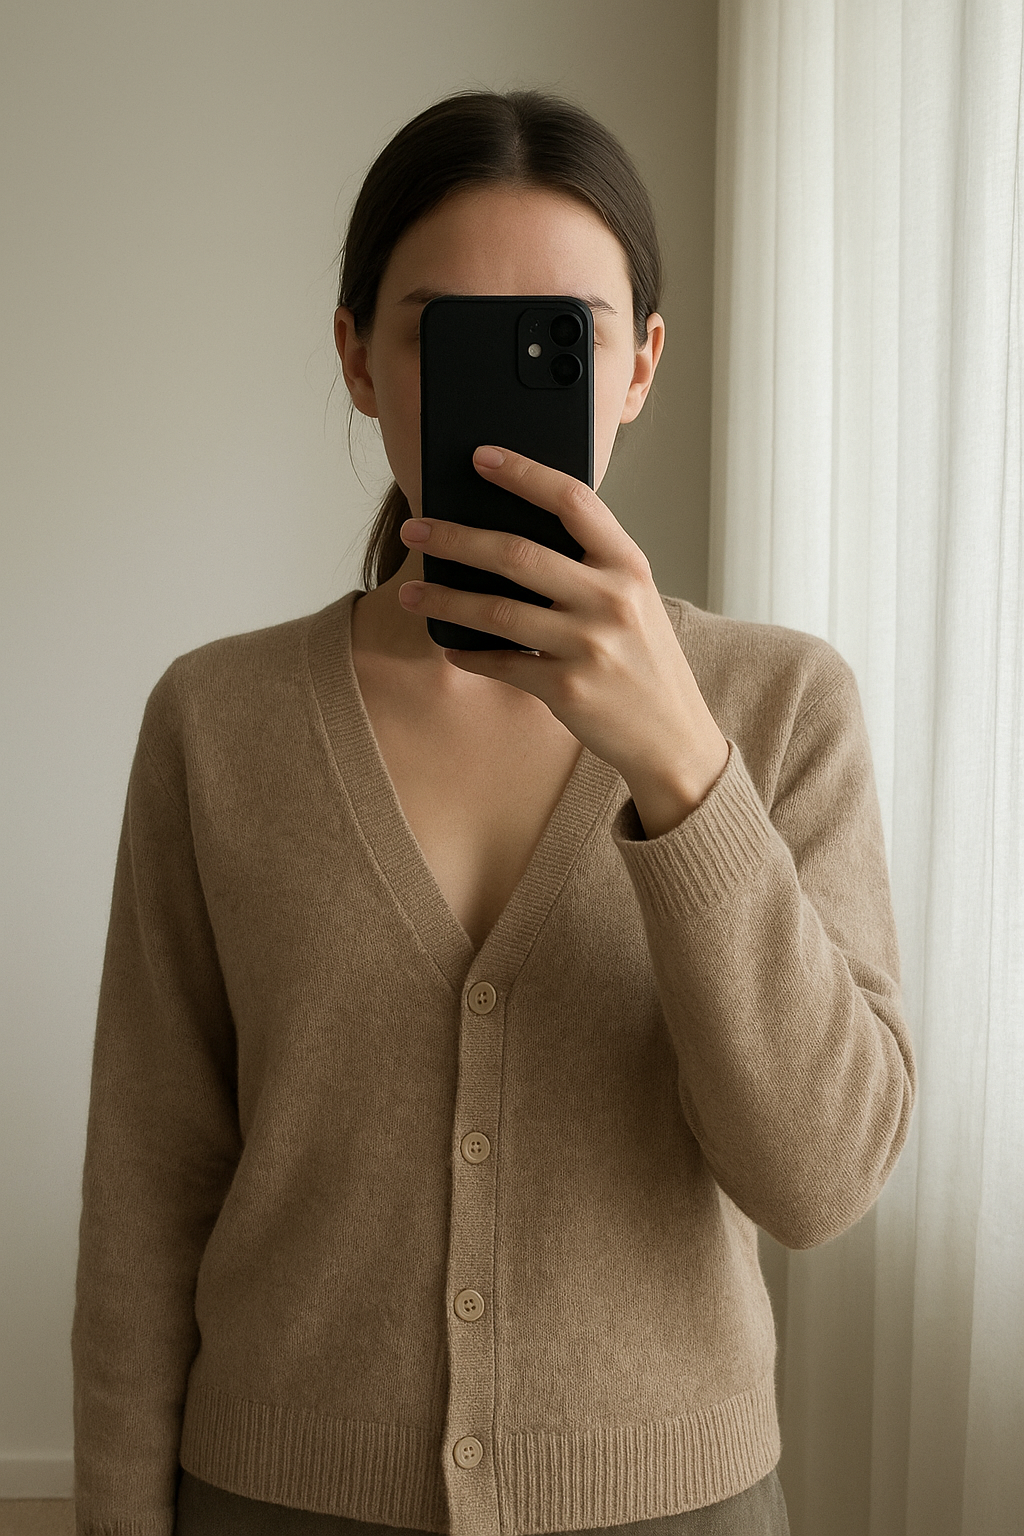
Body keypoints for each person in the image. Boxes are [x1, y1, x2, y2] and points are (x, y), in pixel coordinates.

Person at [71, 90, 916, 1536]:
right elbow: (148, 1187)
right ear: (358, 358)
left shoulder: (782, 705)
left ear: (639, 365)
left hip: (674, 1506)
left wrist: (681, 767)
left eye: (562, 338)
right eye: (444, 335)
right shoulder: (217, 720)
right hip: (275, 1499)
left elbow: (822, 1179)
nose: (507, 385)